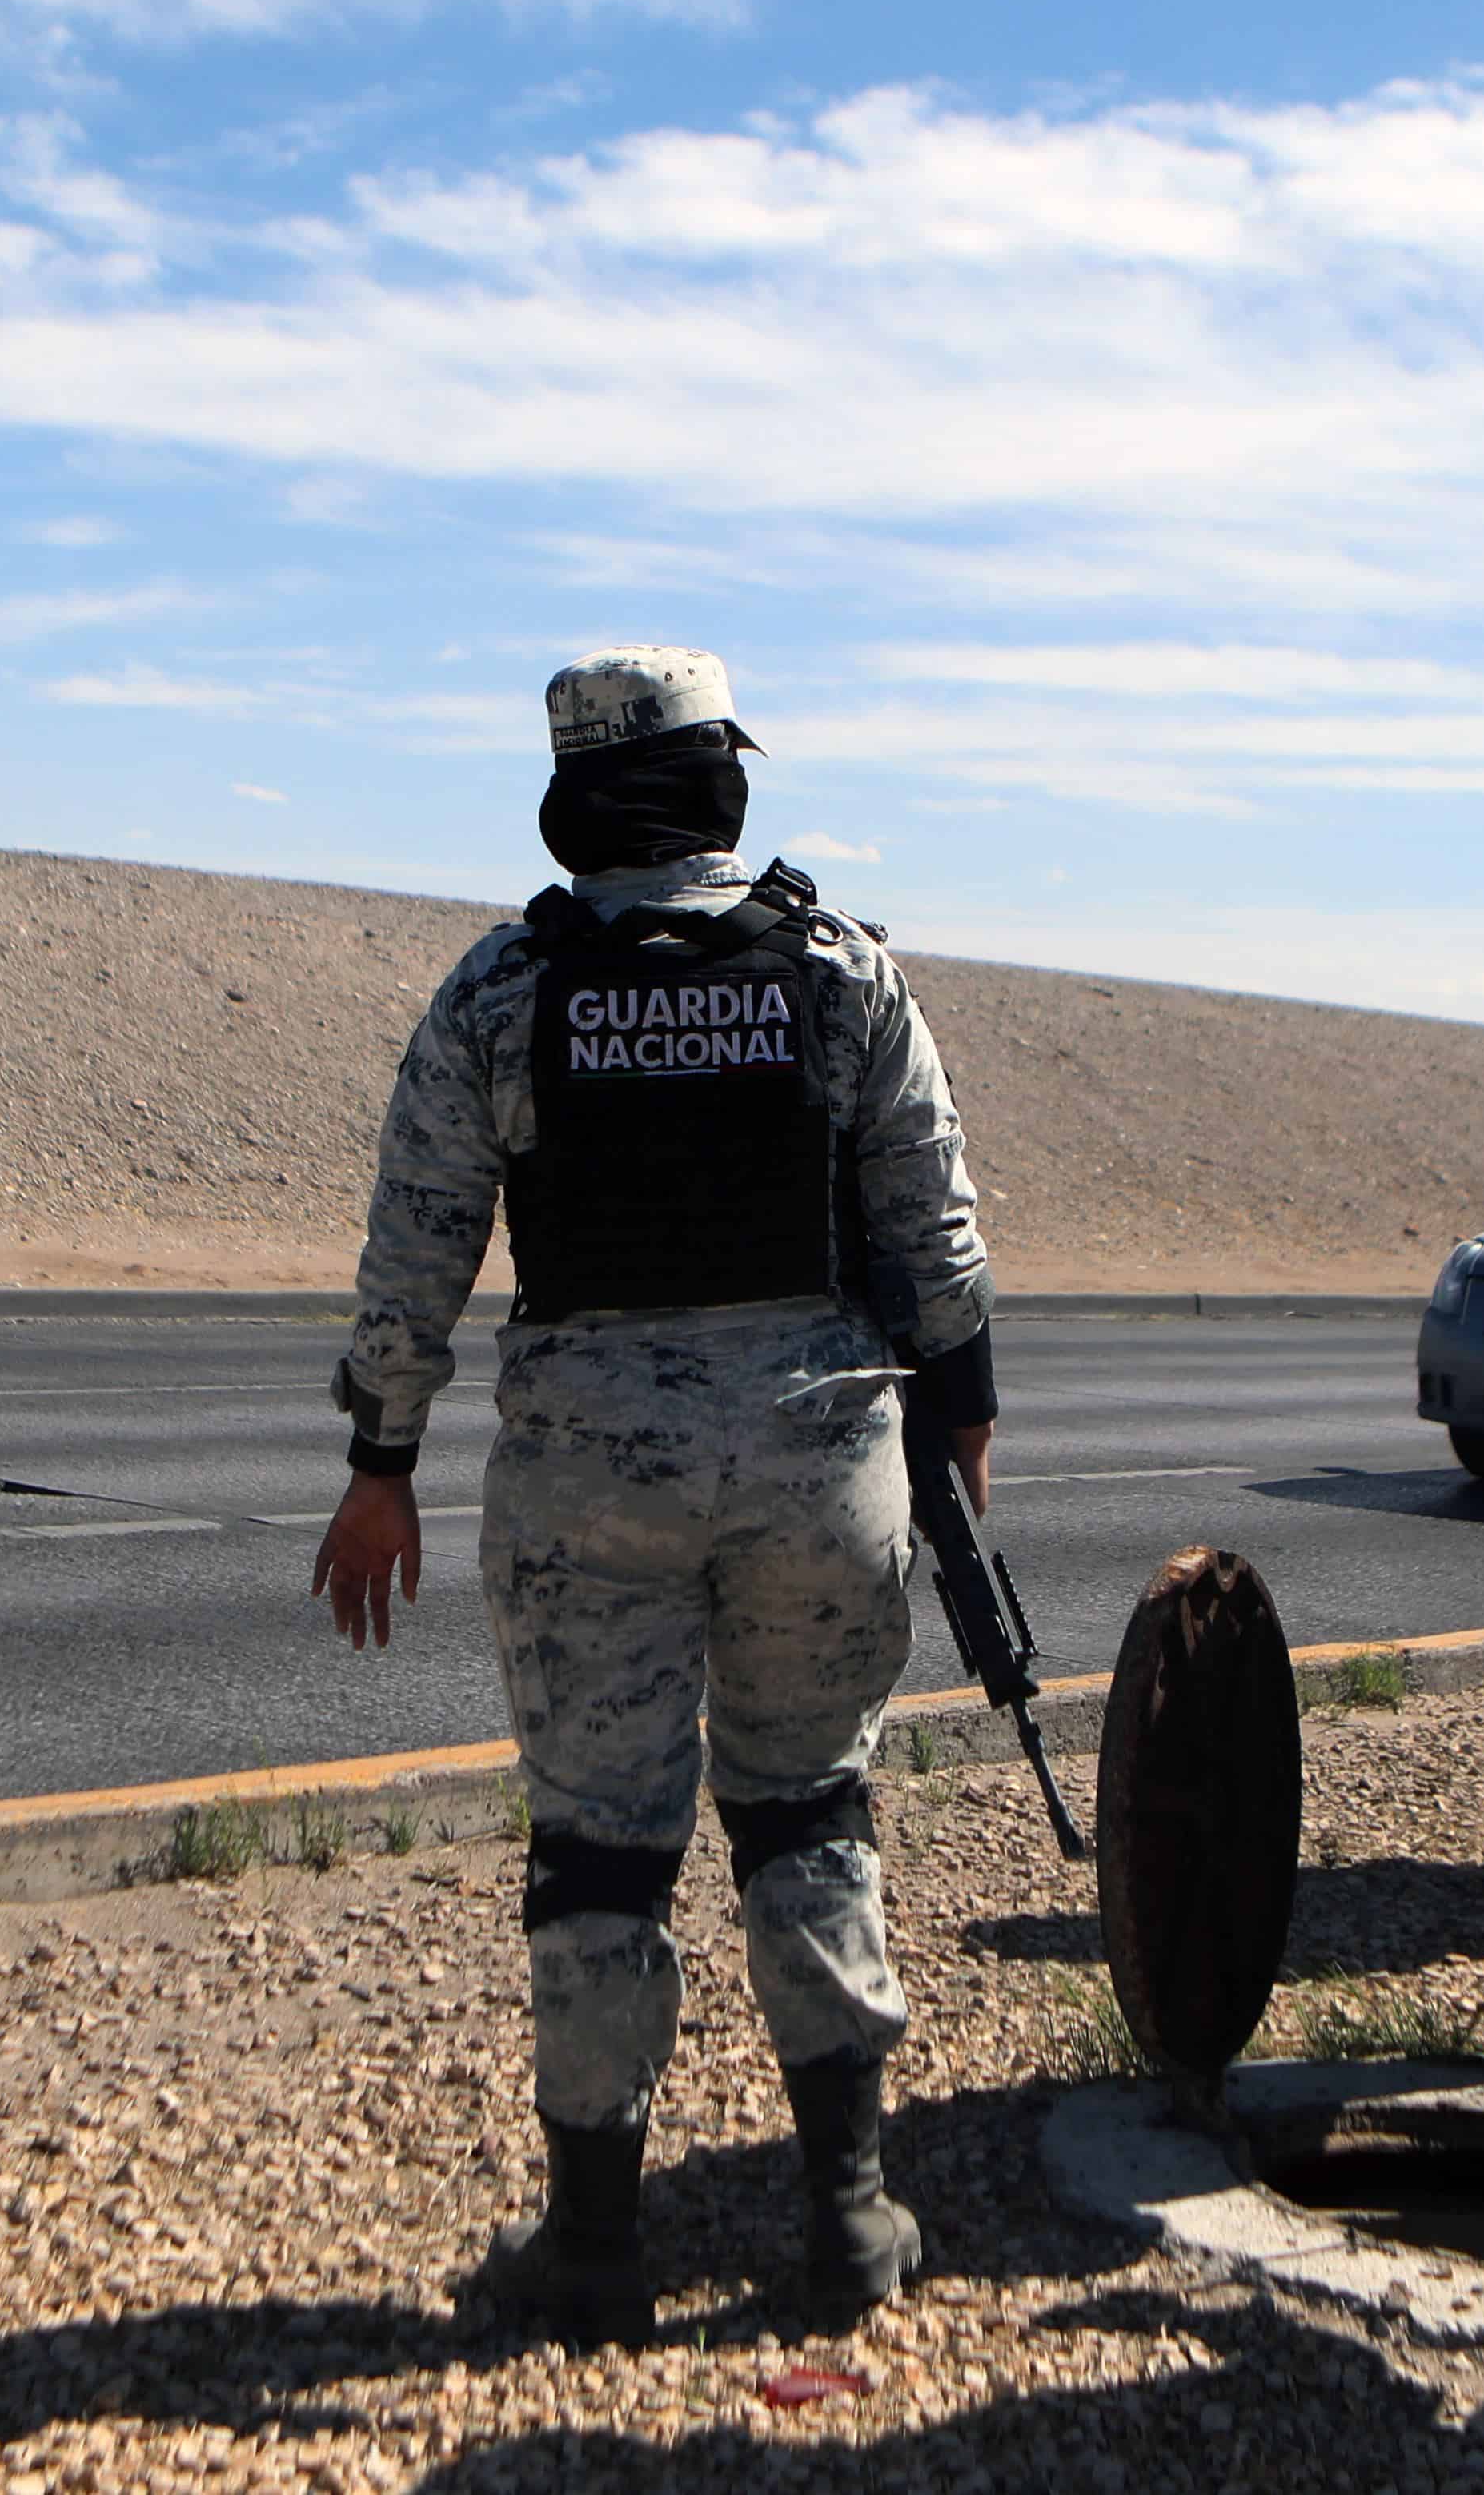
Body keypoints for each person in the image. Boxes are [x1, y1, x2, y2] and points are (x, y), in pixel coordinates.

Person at [312, 648, 993, 2345]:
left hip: (583, 1476)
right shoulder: (840, 968)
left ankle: (598, 2247)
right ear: (716, 781)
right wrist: (959, 1422)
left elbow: (417, 1250)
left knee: (601, 1854)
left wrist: (380, 1463)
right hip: (821, 1455)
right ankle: (845, 2218)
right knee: (808, 1812)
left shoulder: (502, 989)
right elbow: (935, 1226)